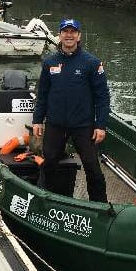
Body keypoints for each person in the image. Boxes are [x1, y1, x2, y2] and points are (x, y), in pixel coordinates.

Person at [32, 18, 110, 202]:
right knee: (49, 161)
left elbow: (103, 97)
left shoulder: (92, 63)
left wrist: (101, 125)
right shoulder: (49, 63)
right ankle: (43, 198)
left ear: (79, 36)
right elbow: (42, 94)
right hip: (55, 124)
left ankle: (100, 206)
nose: (69, 35)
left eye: (72, 31)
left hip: (84, 125)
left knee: (92, 166)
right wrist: (37, 120)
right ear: (59, 35)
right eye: (65, 31)